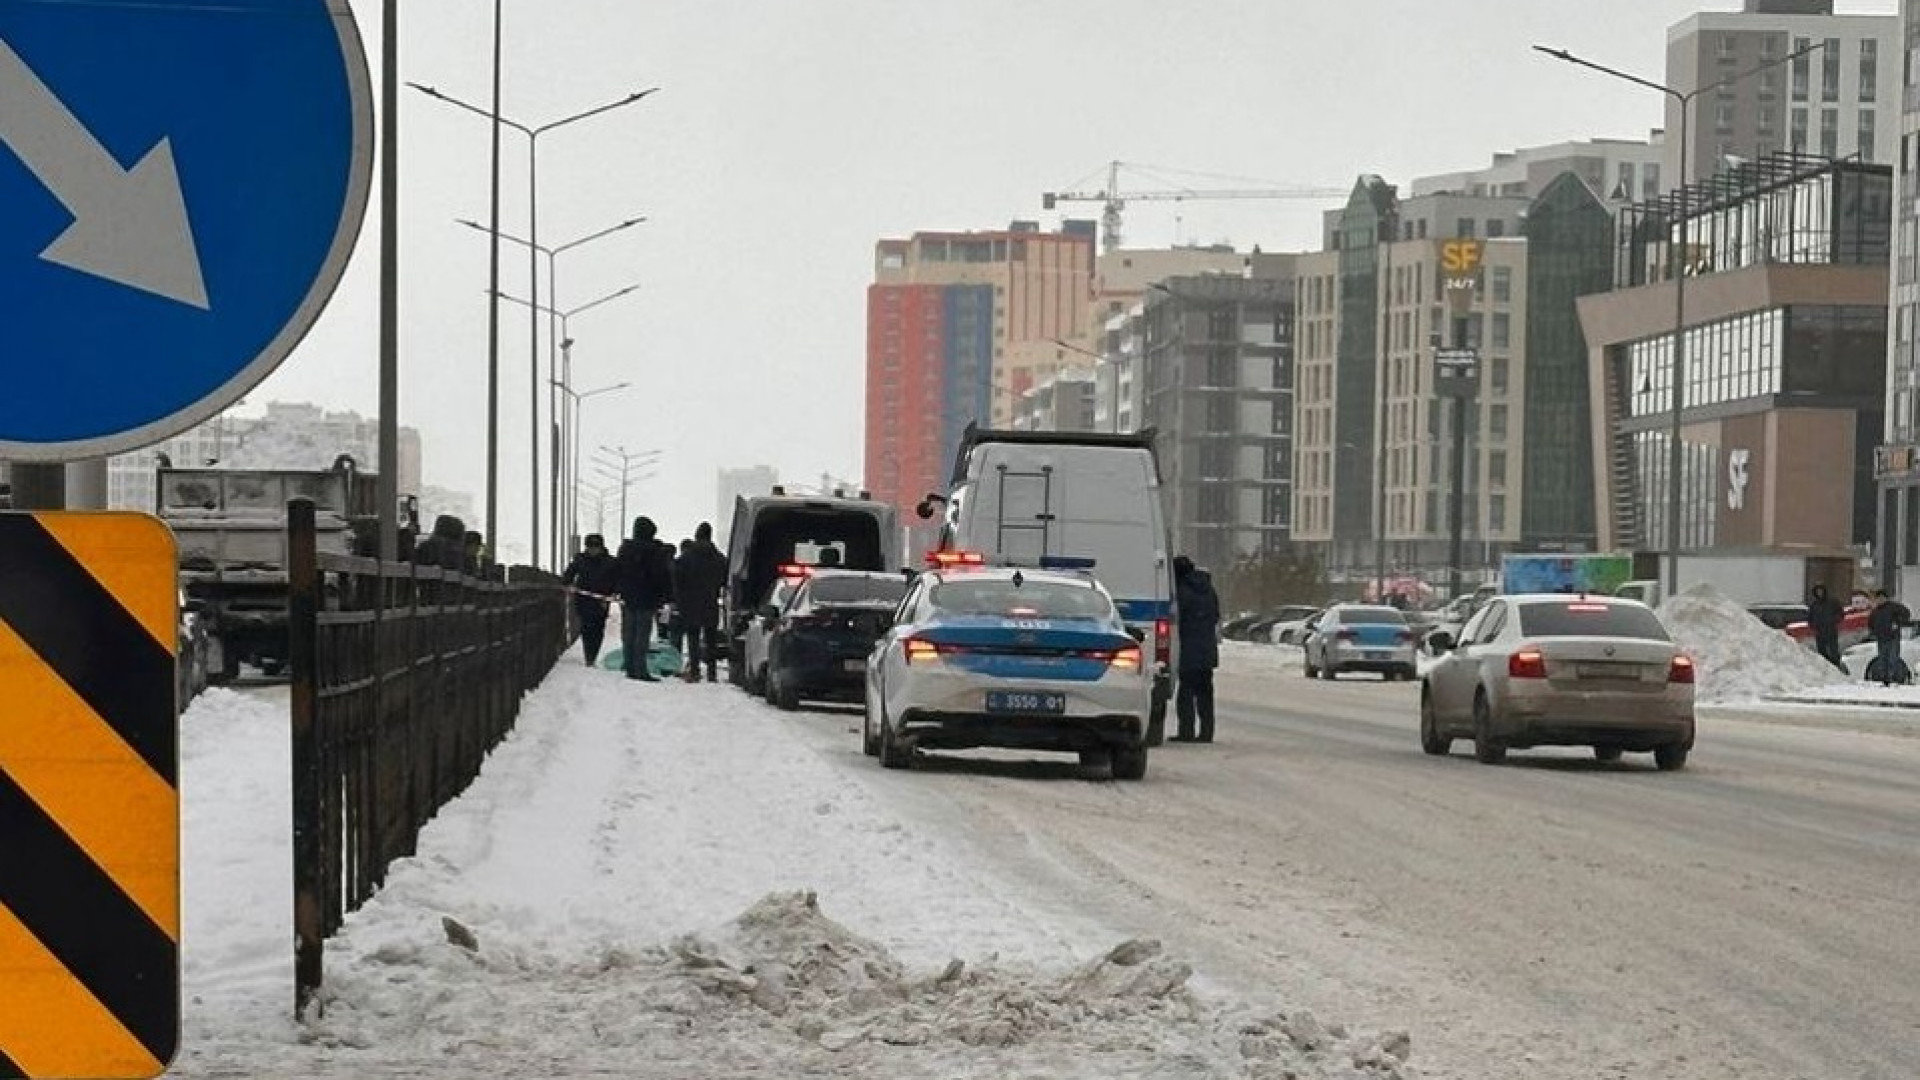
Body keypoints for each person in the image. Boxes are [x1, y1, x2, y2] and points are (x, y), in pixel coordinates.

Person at [615, 516, 676, 681]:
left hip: (628, 597)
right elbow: (661, 575)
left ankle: (629, 667)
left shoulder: (625, 549)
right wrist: (666, 595)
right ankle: (640, 670)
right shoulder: (655, 551)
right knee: (642, 635)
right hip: (647, 598)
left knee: (629, 633)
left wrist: (618, 589)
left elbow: (617, 571)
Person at [1171, 555, 1221, 743]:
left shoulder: (1182, 592)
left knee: (1186, 693)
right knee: (1205, 693)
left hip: (1189, 650)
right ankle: (1207, 732)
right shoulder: (1208, 590)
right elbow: (1215, 616)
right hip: (1207, 649)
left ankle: (1187, 731)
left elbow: (1178, 621)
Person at [674, 522, 729, 682]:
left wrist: (680, 598)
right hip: (710, 601)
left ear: (696, 535)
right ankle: (712, 673)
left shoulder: (687, 556)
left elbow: (677, 577)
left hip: (690, 602)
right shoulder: (718, 557)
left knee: (693, 637)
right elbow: (725, 578)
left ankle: (695, 670)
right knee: (710, 639)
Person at [561, 534, 620, 665]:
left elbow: (617, 579)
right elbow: (569, 574)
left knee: (598, 628)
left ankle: (593, 653)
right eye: (590, 547)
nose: (593, 550)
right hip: (583, 599)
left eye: (596, 547)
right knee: (586, 627)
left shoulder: (610, 562)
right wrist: (568, 583)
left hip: (602, 600)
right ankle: (589, 655)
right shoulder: (580, 559)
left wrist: (615, 592)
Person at [1867, 590, 1912, 686]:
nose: (1880, 600)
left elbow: (1906, 614)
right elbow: (1870, 623)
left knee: (1892, 659)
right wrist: (1874, 632)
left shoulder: (1893, 607)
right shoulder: (1875, 611)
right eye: (1878, 598)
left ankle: (1892, 679)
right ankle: (1883, 679)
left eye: (1882, 598)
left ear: (1886, 598)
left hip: (1893, 638)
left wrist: (1898, 623)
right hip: (1881, 639)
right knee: (1882, 659)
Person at [1806, 583, 1846, 672]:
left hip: (1831, 631)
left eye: (1821, 591)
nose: (1819, 593)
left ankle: (1836, 668)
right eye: (1817, 591)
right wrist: (1813, 626)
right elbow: (1810, 618)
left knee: (1834, 652)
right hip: (1819, 632)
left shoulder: (1832, 602)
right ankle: (1824, 670)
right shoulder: (1814, 605)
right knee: (1822, 652)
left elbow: (1841, 614)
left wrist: (1834, 620)